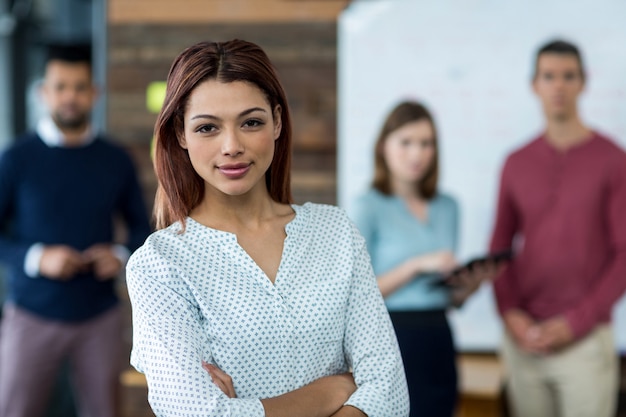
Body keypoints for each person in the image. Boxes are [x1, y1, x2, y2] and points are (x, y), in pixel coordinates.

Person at [125, 39, 409, 417]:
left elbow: (389, 392)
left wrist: (243, 408)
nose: (232, 146)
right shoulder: (158, 265)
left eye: (251, 122)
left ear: (277, 121)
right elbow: (198, 414)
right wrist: (333, 390)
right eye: (208, 128)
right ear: (180, 135)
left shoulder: (335, 232)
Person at [0, 42, 152, 417]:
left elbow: (142, 231)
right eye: (60, 86)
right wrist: (37, 258)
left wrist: (119, 256)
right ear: (43, 93)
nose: (70, 96)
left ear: (94, 93)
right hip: (31, 313)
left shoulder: (116, 160)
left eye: (79, 87)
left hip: (99, 314)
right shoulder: (16, 159)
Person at [490, 39, 626, 417]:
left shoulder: (613, 160)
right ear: (534, 85)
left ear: (583, 83)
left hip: (583, 342)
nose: (559, 86)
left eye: (568, 76)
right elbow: (499, 249)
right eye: (549, 77)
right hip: (524, 340)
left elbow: (624, 255)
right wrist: (511, 314)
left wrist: (576, 321)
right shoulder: (516, 162)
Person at [348, 101, 498, 417]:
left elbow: (449, 297)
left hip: (439, 334)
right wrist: (415, 265)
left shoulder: (448, 207)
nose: (417, 154)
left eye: (426, 143)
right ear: (383, 147)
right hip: (392, 338)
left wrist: (468, 286)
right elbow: (357, 294)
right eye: (406, 142)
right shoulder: (368, 206)